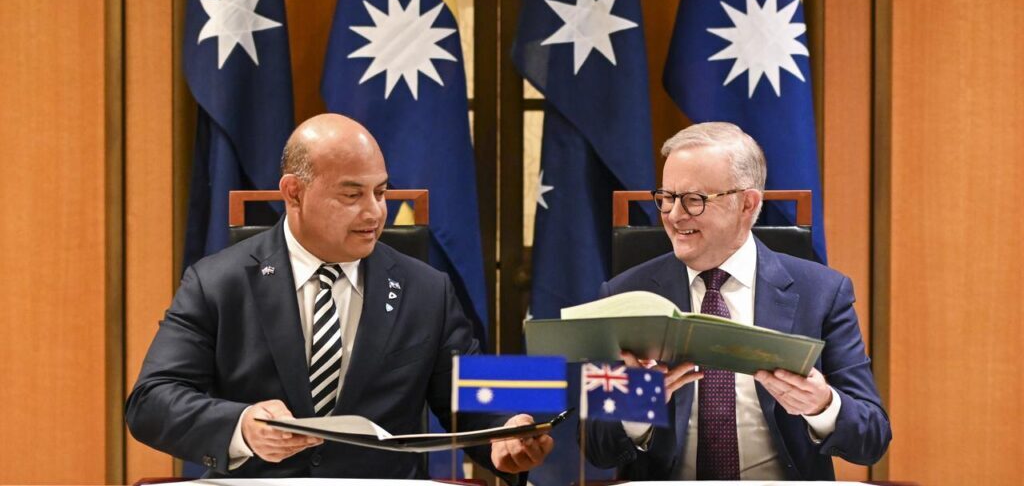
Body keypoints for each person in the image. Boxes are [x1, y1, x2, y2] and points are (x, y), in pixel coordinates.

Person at [126, 113, 553, 483]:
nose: (374, 213)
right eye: (352, 196)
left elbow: (471, 401)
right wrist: (241, 426)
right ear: (293, 193)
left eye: (381, 192)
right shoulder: (217, 282)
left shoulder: (427, 290)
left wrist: (506, 433)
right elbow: (151, 402)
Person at [585, 122, 890, 480]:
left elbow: (873, 437)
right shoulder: (624, 295)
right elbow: (596, 448)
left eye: (694, 200)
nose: (674, 215)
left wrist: (822, 406)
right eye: (667, 197)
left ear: (747, 204)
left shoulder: (821, 293)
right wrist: (634, 409)